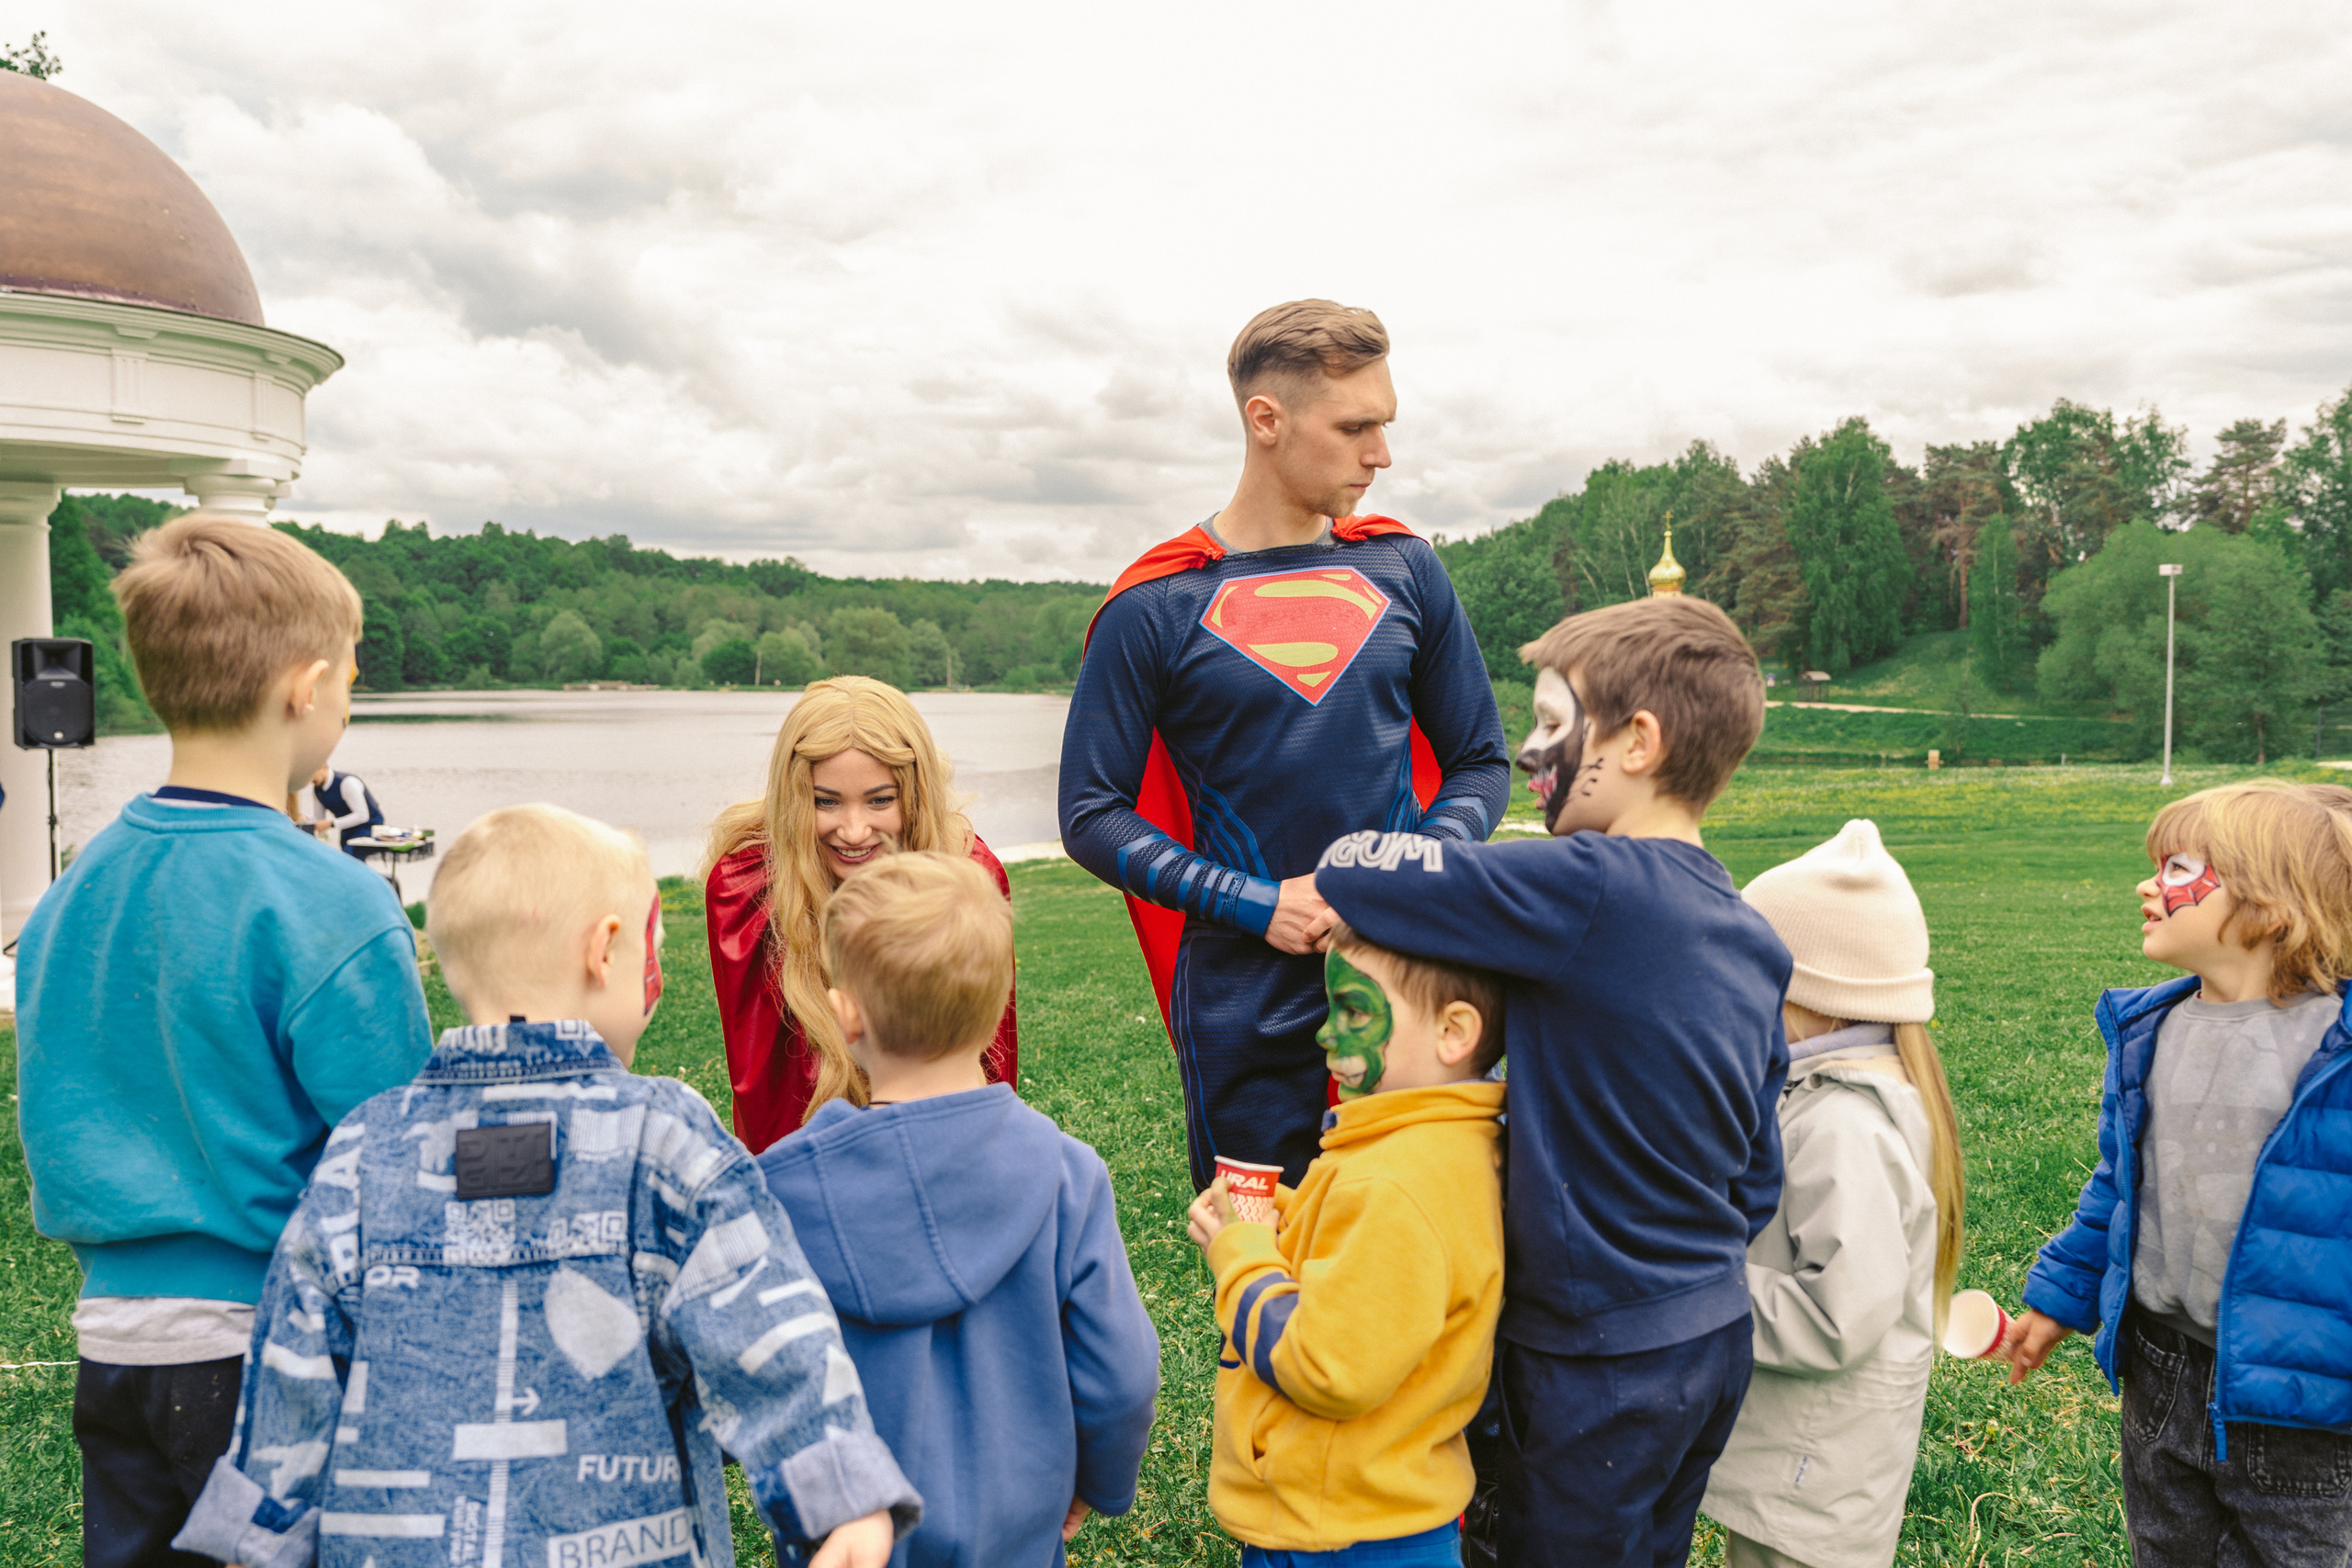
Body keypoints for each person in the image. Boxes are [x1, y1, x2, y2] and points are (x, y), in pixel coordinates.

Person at [172, 804, 921, 1568]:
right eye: (648, 953)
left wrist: (258, 1539)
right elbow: (762, 1319)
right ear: (606, 950)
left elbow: (294, 1368)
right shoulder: (664, 1138)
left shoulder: (364, 1149)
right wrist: (842, 1492)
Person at [1314, 594, 1790, 1568]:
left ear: (1638, 742)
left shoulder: (1586, 883)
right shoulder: (1748, 935)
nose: (1530, 756)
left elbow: (1356, 875)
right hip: (1708, 1330)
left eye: (1547, 725)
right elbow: (1755, 1174)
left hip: (1590, 1353)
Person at [12, 513, 434, 1568]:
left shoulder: (68, 895)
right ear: (307, 684)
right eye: (350, 680)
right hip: (270, 1346)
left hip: (113, 1340)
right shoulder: (330, 903)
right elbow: (400, 1158)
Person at [1060, 299, 1510, 1190]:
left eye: (1383, 425)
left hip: (1408, 987)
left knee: (1427, 1259)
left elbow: (1479, 762)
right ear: (1265, 420)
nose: (1380, 454)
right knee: (1265, 1281)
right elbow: (1090, 815)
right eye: (1355, 427)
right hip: (1243, 1007)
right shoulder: (1156, 603)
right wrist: (1256, 903)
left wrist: (1403, 868)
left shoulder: (1405, 568)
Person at [760, 852, 1160, 1567]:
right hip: (1019, 1536)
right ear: (1000, 995)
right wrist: (1098, 1481)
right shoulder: (1068, 1175)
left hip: (851, 1541)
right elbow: (1123, 1375)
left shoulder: (782, 1193)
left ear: (844, 1011)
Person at [2005, 780, 2352, 1565]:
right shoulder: (2149, 1031)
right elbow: (2118, 1188)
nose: (2148, 885)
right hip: (2160, 1372)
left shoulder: (2337, 1049)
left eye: (2178, 867)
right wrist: (2060, 1298)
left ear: (2270, 905)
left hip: (2302, 1403)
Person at [1185, 919, 1505, 1566]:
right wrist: (1280, 1216)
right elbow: (1369, 1264)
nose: (1326, 1032)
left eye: (1354, 1008)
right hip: (1358, 1513)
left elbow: (1326, 1365)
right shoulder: (1420, 1146)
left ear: (1454, 1031)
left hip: (1345, 1535)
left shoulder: (1400, 1180)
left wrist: (1241, 1255)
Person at [1701, 818, 1968, 1568]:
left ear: (1814, 995)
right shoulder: (1831, 1095)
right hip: (1804, 1468)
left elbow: (1835, 1316)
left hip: (1809, 1483)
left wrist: (1693, 1279)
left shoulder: (1847, 1123)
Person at [706, 676, 1017, 1154]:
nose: (854, 831)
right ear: (794, 796)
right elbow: (767, 1096)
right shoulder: (748, 886)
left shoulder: (968, 874)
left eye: (880, 800)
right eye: (825, 801)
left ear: (913, 797)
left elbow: (984, 1060)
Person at [307, 761, 384, 856]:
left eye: (312, 773)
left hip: (369, 826)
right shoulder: (317, 790)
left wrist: (331, 824)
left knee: (351, 857)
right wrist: (306, 821)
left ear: (323, 766)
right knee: (345, 858)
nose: (311, 779)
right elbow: (319, 818)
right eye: (307, 776)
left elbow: (362, 816)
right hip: (347, 829)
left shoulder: (347, 783)